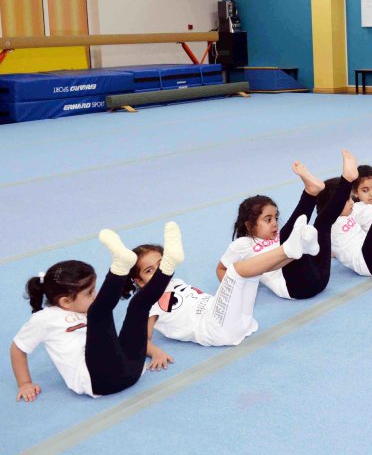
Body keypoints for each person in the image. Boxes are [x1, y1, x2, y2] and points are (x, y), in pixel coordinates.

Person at [11, 223, 183, 400]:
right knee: (98, 313)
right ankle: (120, 267)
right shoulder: (44, 319)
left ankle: (168, 267)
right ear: (65, 302)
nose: (96, 295)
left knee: (138, 306)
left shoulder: (86, 309)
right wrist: (24, 383)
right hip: (101, 381)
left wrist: (154, 351)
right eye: (90, 292)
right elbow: (18, 349)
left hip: (133, 369)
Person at [128, 217, 315, 353]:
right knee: (235, 271)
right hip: (214, 329)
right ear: (139, 281)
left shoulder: (175, 282)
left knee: (252, 270)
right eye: (149, 270)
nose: (160, 271)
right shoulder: (146, 302)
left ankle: (297, 252)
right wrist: (156, 353)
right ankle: (288, 248)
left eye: (161, 264)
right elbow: (142, 339)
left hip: (239, 321)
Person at [217, 157, 354, 300]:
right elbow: (221, 268)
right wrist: (233, 293)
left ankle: (347, 180)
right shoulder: (242, 245)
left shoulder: (278, 236)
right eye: (268, 219)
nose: (274, 223)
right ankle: (310, 193)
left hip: (321, 277)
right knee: (290, 235)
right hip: (296, 288)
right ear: (249, 225)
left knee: (323, 223)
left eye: (276, 218)